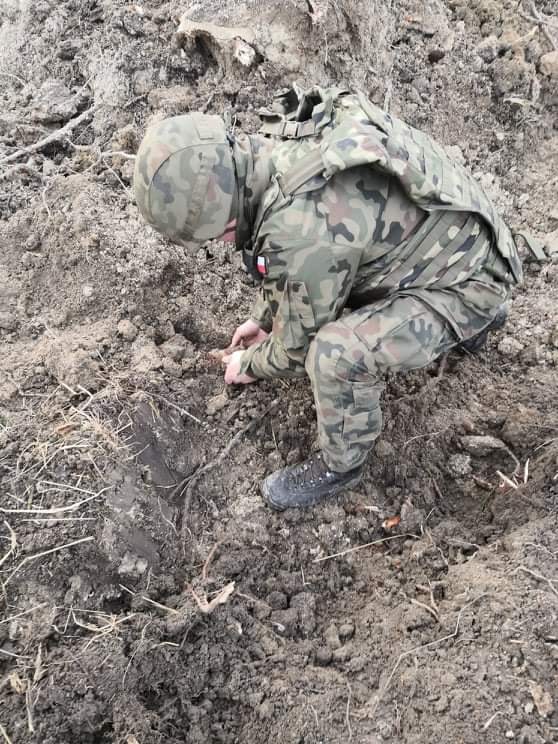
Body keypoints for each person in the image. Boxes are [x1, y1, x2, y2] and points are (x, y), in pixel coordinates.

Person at [133, 86, 522, 511]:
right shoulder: (277, 152)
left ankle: (342, 464)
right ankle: (466, 319)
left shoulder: (299, 226)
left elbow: (297, 347)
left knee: (334, 356)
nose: (222, 243)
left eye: (214, 234)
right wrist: (264, 319)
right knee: (338, 300)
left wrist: (249, 365)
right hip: (462, 244)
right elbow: (299, 264)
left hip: (468, 282)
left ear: (218, 214)